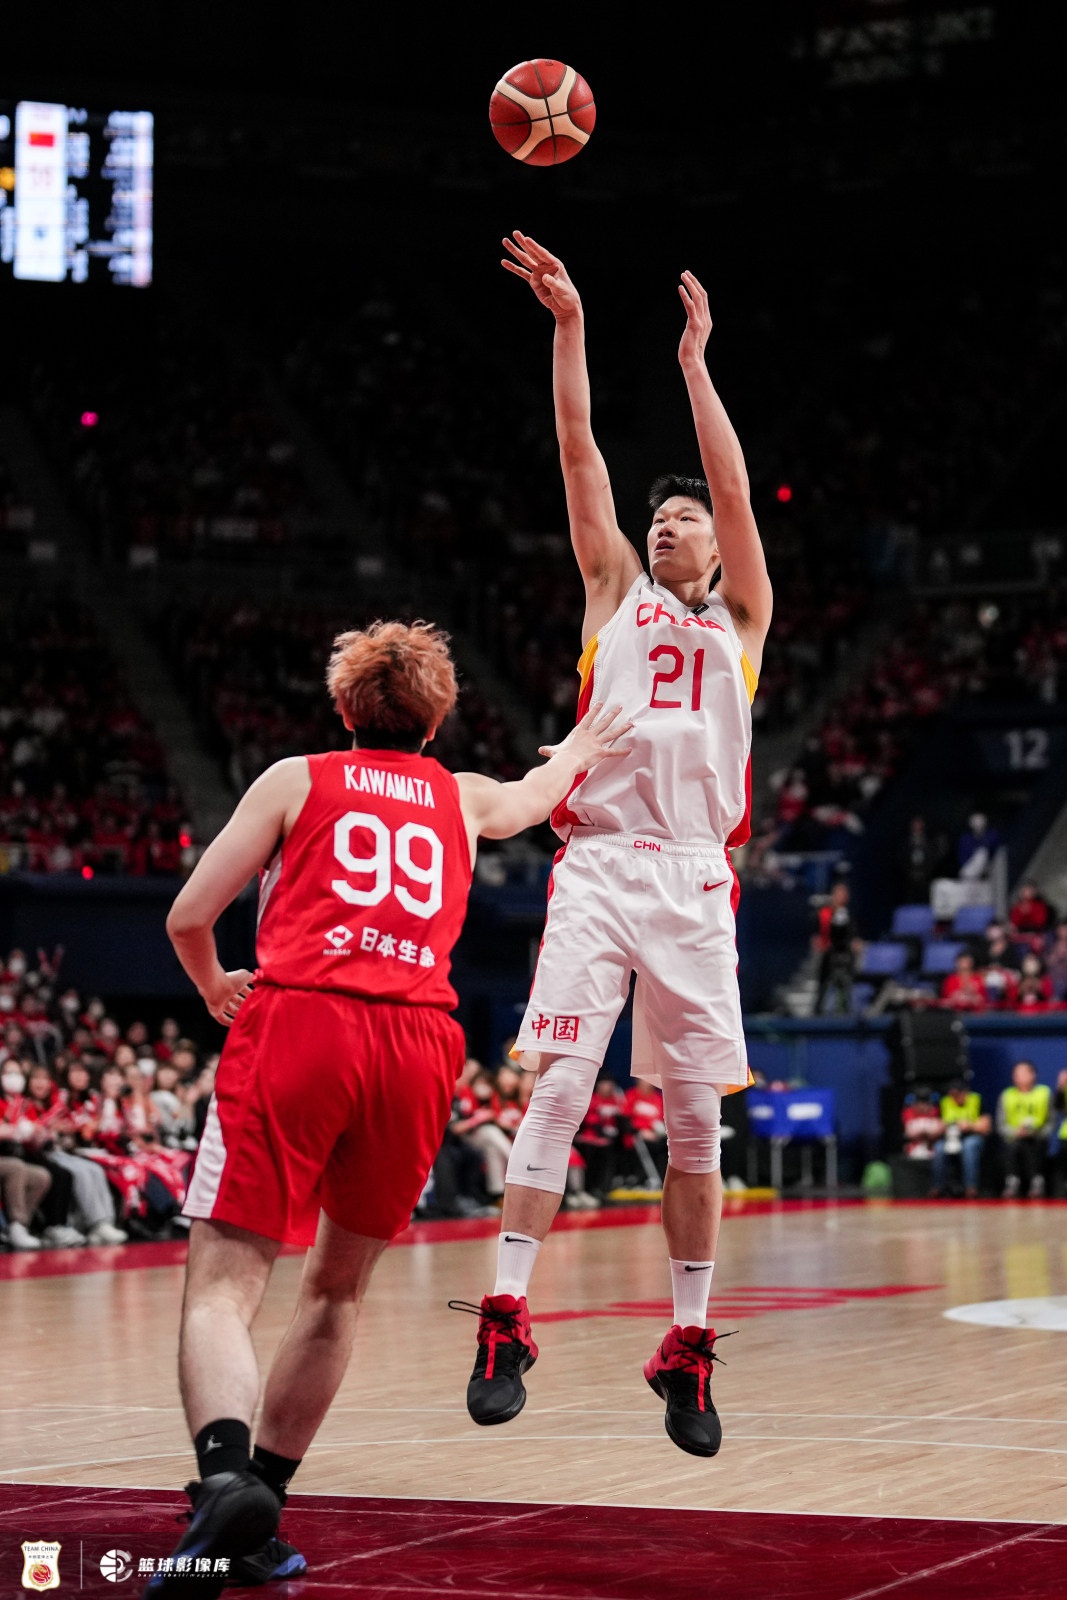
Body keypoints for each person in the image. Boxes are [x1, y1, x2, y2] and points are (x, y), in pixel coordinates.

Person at [149, 618, 630, 1596]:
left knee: (223, 1286)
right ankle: (261, 1507)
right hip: (416, 1043)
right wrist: (583, 742)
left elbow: (188, 915)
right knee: (335, 1291)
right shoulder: (463, 796)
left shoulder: (296, 779)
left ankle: (226, 1479)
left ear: (343, 706)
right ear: (437, 718)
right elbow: (540, 793)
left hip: (303, 1019)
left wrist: (211, 985)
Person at [458, 233, 772, 1461]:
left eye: (682, 519)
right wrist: (570, 326)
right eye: (660, 520)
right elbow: (577, 452)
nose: (667, 526)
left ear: (714, 542)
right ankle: (506, 1315)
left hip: (693, 872)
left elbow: (734, 489)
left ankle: (684, 1343)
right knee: (558, 1084)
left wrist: (695, 367)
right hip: (598, 859)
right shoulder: (611, 596)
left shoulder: (742, 618)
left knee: (694, 1121)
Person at [996, 1060, 1050, 1198]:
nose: (1018, 1077)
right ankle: (1012, 1181)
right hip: (1014, 1137)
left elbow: (1050, 1122)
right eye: (1015, 1074)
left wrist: (1035, 1133)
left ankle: (1037, 1181)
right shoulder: (1007, 1094)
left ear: (1033, 1075)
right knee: (1012, 1146)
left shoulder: (1044, 1092)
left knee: (1032, 1146)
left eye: (1023, 1073)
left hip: (1036, 1137)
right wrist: (1015, 1132)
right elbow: (1001, 1125)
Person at [930, 1080, 990, 1198]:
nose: (955, 1098)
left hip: (971, 1136)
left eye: (958, 1094)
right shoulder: (945, 1102)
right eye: (952, 1094)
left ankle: (970, 1187)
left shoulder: (976, 1100)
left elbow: (987, 1127)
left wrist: (970, 1126)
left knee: (969, 1146)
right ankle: (938, 1187)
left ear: (965, 1093)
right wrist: (944, 1127)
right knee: (939, 1147)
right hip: (950, 1138)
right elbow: (936, 1127)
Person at [812, 881, 861, 1015]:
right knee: (824, 985)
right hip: (829, 956)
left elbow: (854, 936)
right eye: (838, 894)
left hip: (846, 955)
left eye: (843, 894)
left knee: (845, 985)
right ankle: (818, 1012)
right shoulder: (824, 914)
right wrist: (820, 942)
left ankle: (846, 1011)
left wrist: (855, 943)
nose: (840, 897)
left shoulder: (849, 915)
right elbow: (818, 934)